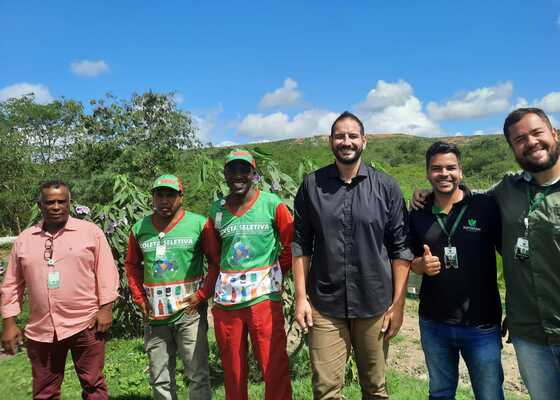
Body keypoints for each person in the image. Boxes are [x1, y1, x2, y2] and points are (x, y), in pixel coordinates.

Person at [413, 107, 560, 400]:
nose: (530, 142)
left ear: (554, 134)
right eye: (519, 139)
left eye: (537, 133)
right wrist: (429, 194)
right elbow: (465, 198)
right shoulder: (507, 190)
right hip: (531, 341)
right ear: (512, 148)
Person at [293, 111, 413, 400]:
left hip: (374, 303)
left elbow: (400, 248)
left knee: (375, 388)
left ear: (364, 141)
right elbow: (300, 244)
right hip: (324, 303)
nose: (346, 141)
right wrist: (300, 297)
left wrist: (398, 305)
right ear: (330, 141)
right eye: (340, 136)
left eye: (352, 136)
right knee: (325, 391)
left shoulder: (386, 187)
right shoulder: (312, 185)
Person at [1, 180, 119, 399]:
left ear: (69, 203)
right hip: (41, 329)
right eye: (50, 202)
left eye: (61, 201)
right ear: (40, 205)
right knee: (45, 391)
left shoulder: (90, 233)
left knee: (93, 384)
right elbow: (11, 284)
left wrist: (106, 308)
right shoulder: (25, 240)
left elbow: (107, 272)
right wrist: (9, 323)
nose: (56, 206)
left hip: (86, 323)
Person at [408, 141, 503, 400]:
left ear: (461, 170)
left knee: (490, 394)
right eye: (436, 168)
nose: (444, 174)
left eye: (451, 167)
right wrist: (419, 265)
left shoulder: (485, 206)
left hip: (482, 324)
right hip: (434, 322)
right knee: (439, 393)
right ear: (428, 172)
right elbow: (406, 259)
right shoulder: (417, 212)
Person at [208, 149, 293, 400]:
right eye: (232, 170)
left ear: (254, 174)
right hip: (227, 301)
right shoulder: (217, 210)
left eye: (244, 170)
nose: (238, 175)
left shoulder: (272, 204)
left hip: (263, 298)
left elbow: (290, 244)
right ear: (224, 174)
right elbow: (214, 254)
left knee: (273, 364)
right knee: (233, 369)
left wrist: (276, 272)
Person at [125, 174, 215, 400]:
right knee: (160, 377)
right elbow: (132, 266)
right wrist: (140, 300)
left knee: (197, 374)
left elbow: (215, 261)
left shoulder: (199, 224)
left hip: (190, 313)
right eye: (159, 195)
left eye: (170, 195)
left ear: (180, 198)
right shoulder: (139, 229)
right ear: (152, 198)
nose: (164, 200)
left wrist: (203, 295)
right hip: (155, 316)